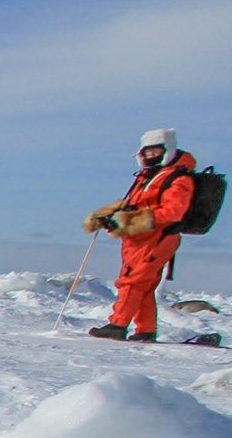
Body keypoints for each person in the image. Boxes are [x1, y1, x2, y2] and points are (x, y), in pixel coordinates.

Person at [83, 128, 198, 341]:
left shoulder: (178, 177)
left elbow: (174, 211)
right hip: (136, 240)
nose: (151, 156)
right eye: (147, 152)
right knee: (143, 286)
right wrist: (108, 216)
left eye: (156, 151)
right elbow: (134, 205)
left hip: (158, 238)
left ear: (168, 150)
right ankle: (145, 330)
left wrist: (128, 220)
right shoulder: (148, 176)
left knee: (132, 282)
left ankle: (118, 325)